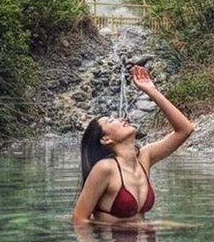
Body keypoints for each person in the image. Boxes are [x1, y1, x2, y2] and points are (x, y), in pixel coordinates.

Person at [71, 65, 194, 225]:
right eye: (111, 120)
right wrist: (130, 228)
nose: (121, 119)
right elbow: (79, 220)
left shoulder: (145, 157)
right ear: (105, 139)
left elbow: (185, 130)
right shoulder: (105, 169)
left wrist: (151, 91)